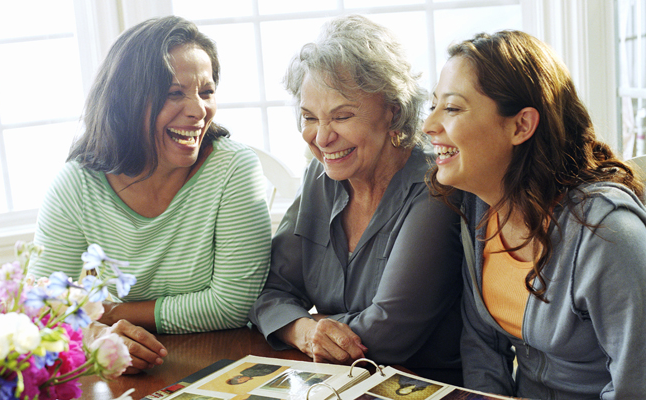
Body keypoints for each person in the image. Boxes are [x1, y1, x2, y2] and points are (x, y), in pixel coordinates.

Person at [30, 16, 272, 374]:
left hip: (225, 360)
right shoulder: (76, 186)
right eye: (175, 93)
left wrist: (110, 312)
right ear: (126, 101)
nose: (198, 110)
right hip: (123, 370)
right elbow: (44, 305)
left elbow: (233, 304)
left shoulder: (233, 169)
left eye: (206, 92)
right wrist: (96, 334)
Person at [423, 30, 646, 399]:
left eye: (453, 108)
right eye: (433, 106)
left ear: (521, 125)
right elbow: (482, 348)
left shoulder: (608, 234)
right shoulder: (477, 209)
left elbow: (636, 385)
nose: (429, 126)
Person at [248, 15, 465, 385]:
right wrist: (303, 330)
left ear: (393, 111)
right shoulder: (322, 176)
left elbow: (387, 334)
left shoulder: (435, 184)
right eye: (309, 117)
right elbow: (268, 293)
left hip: (422, 387)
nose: (321, 137)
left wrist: (304, 323)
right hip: (337, 382)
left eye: (342, 116)